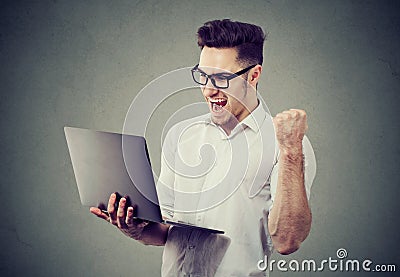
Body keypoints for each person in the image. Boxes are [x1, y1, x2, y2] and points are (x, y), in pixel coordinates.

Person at [90, 19, 316, 276]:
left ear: (254, 76)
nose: (208, 90)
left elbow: (287, 241)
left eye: (221, 78)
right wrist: (135, 228)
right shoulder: (181, 135)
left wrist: (290, 151)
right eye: (203, 76)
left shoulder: (287, 146)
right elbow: (165, 231)